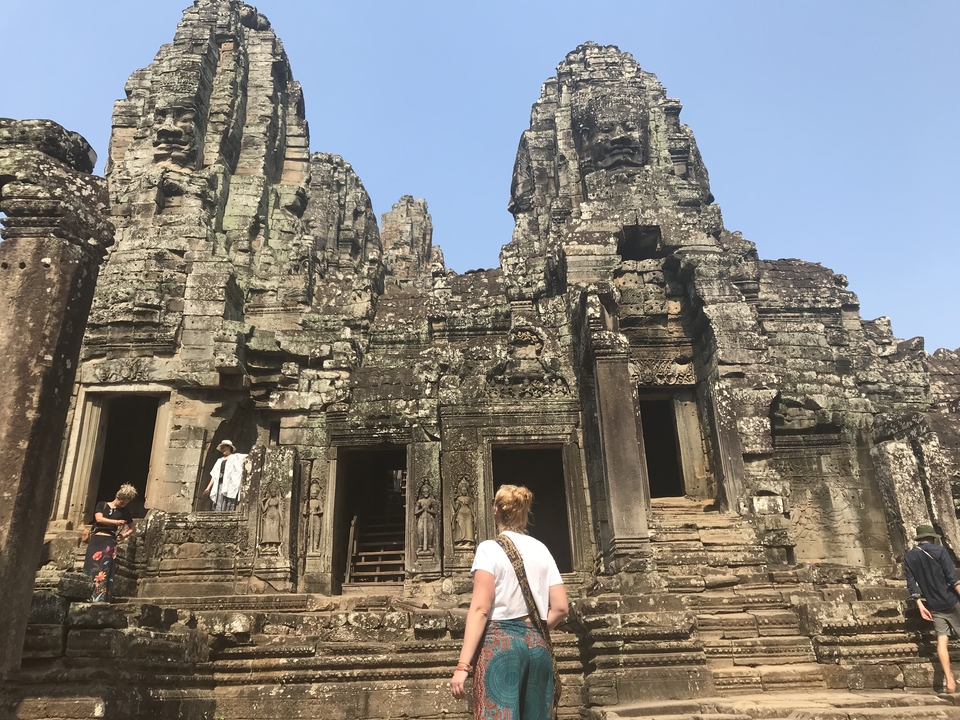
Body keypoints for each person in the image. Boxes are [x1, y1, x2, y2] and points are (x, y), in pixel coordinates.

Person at [450, 484, 569, 719]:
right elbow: (561, 608)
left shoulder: (488, 549)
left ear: (496, 510)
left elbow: (480, 609)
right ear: (524, 512)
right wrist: (533, 633)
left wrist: (463, 666)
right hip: (537, 645)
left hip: (500, 646)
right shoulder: (542, 549)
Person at [904, 524, 960, 692]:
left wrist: (920, 605)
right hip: (951, 600)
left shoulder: (909, 557)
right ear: (933, 538)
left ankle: (949, 679)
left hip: (933, 604)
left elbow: (911, 584)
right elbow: (953, 579)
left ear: (919, 539)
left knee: (942, 640)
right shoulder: (940, 551)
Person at [83, 484, 138, 603]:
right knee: (91, 565)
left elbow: (133, 528)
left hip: (109, 541)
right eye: (122, 502)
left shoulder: (124, 512)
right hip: (96, 539)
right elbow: (99, 519)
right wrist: (115, 522)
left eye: (125, 503)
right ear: (117, 497)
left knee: (105, 569)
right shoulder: (102, 505)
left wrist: (124, 535)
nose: (123, 505)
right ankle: (86, 594)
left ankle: (100, 598)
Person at [204, 439, 246, 511]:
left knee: (229, 501)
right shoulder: (219, 460)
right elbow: (214, 475)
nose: (222, 449)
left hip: (230, 484)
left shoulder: (235, 457)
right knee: (219, 502)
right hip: (220, 484)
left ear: (229, 447)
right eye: (221, 448)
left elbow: (246, 456)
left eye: (224, 447)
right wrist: (208, 488)